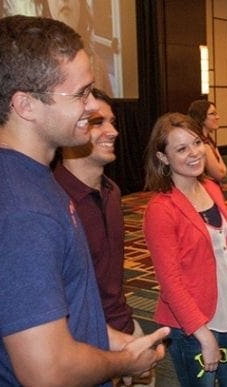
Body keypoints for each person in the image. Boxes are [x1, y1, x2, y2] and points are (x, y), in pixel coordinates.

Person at [0, 15, 168, 386]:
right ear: (26, 105)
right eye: (80, 94)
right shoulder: (23, 210)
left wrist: (116, 341)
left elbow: (59, 310)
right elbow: (47, 372)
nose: (91, 107)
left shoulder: (32, 178)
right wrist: (123, 364)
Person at [143, 112, 227, 387]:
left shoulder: (210, 188)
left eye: (196, 143)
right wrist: (203, 336)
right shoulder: (161, 209)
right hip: (193, 324)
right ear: (163, 157)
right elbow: (170, 283)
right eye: (181, 149)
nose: (194, 153)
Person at [53, 88, 155, 386]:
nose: (113, 131)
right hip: (81, 344)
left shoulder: (112, 192)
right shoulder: (52, 201)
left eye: (112, 121)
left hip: (125, 326)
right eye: (98, 122)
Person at [188, 99, 227, 182]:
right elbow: (219, 174)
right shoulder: (201, 143)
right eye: (212, 114)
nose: (218, 117)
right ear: (201, 117)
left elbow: (223, 170)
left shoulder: (208, 140)